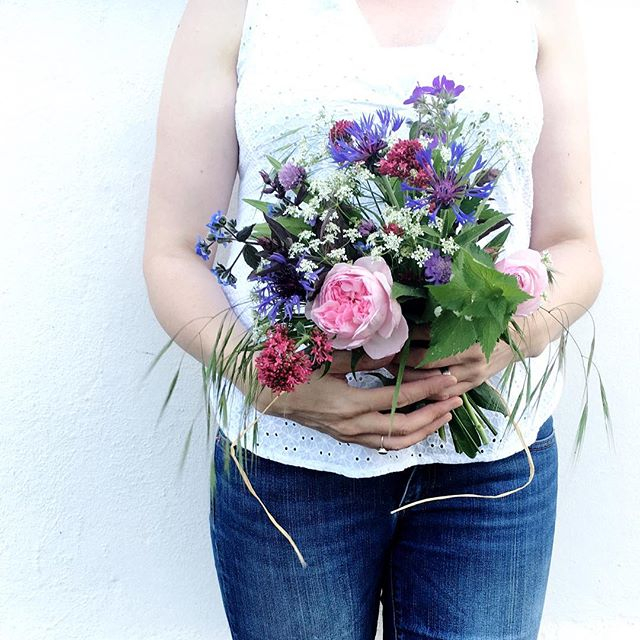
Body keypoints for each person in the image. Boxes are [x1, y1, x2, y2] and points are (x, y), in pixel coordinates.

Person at [143, 0, 602, 638]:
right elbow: (174, 252)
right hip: (290, 464)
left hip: (489, 468)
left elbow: (573, 245)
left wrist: (503, 341)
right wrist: (274, 384)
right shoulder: (233, 11)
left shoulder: (536, 10)